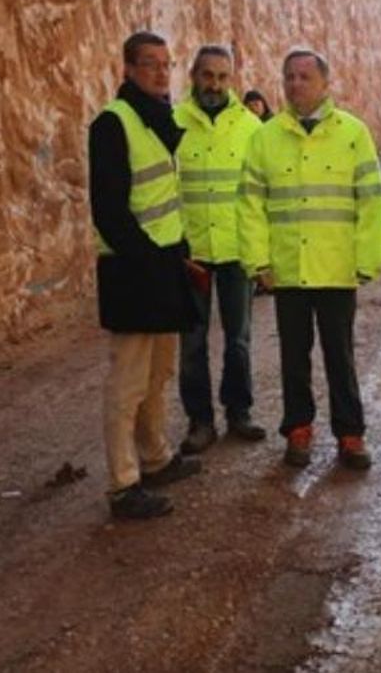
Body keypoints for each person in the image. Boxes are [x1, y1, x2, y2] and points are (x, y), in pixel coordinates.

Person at [238, 49, 381, 470]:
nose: (295, 84)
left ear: (325, 83)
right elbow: (250, 204)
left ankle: (350, 434)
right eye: (289, 77)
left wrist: (367, 259)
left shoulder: (352, 134)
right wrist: (258, 262)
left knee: (340, 354)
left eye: (305, 76)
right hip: (288, 270)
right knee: (293, 355)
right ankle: (298, 429)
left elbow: (372, 202)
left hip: (337, 267)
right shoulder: (265, 138)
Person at [88, 31, 204, 520]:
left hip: (162, 266)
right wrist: (151, 262)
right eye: (150, 64)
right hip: (133, 270)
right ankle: (123, 483)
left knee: (157, 376)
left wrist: (178, 257)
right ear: (129, 70)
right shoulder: (114, 123)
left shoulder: (158, 120)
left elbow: (159, 200)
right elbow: (109, 211)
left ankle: (155, 458)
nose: (161, 73)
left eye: (166, 64)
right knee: (128, 383)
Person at [172, 45, 266, 452]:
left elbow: (261, 193)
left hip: (236, 250)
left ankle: (238, 412)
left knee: (239, 339)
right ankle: (200, 421)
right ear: (193, 75)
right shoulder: (173, 122)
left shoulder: (250, 127)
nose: (214, 84)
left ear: (232, 79)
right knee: (192, 343)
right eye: (207, 75)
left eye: (222, 76)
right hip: (191, 251)